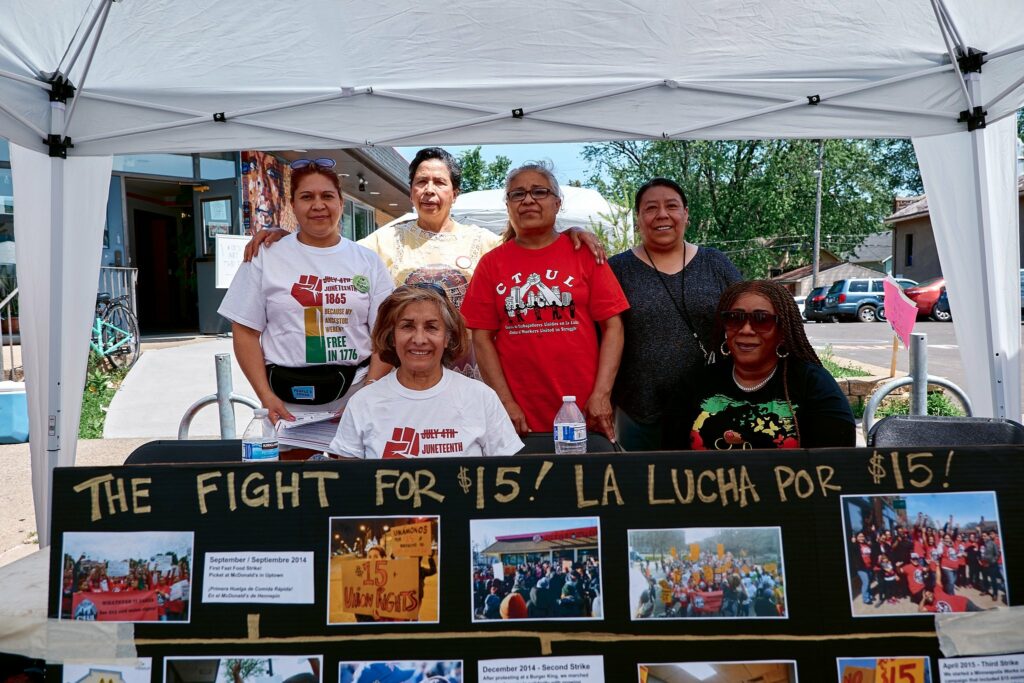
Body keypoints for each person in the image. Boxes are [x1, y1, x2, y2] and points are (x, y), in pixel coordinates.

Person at [243, 148, 606, 379]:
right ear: (410, 191)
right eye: (420, 182)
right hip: (406, 371)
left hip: (471, 373)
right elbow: (332, 252)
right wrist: (283, 235)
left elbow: (531, 248)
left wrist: (569, 231)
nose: (429, 190)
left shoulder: (482, 241)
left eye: (439, 182)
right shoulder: (384, 240)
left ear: (455, 192)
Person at [219, 158, 393, 425]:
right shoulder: (265, 256)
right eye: (306, 197)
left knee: (353, 467)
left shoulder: (367, 261)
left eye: (327, 196)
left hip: (355, 402)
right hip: (284, 406)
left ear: (341, 203)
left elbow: (385, 335)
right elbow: (245, 331)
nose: (318, 205)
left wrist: (369, 391)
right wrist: (265, 397)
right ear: (293, 205)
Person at [461, 162, 629, 438]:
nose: (528, 199)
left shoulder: (585, 254)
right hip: (520, 418)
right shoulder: (491, 265)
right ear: (508, 205)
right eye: (517, 194)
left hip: (585, 413)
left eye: (539, 192)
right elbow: (481, 338)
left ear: (557, 203)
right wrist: (505, 402)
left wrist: (601, 394)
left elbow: (614, 327)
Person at [609, 177, 741, 450]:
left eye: (671, 206)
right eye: (650, 208)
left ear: (686, 214)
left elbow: (746, 319)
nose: (662, 215)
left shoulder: (715, 263)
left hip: (712, 405)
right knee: (644, 486)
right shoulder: (617, 269)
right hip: (638, 410)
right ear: (638, 218)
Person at [328, 284, 523, 458]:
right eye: (407, 326)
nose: (419, 339)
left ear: (448, 338)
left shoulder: (481, 397)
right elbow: (349, 485)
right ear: (391, 337)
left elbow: (506, 477)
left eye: (431, 327)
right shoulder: (363, 403)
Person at [687, 280, 856, 449]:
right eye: (734, 318)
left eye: (761, 319)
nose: (746, 329)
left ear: (783, 330)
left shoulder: (813, 385)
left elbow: (837, 463)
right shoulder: (697, 383)